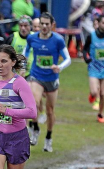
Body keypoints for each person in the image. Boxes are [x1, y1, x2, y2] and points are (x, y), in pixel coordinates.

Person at [25, 12, 71, 152]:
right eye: (42, 24)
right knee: (33, 104)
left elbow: (68, 59)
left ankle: (48, 138)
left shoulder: (58, 40)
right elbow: (27, 52)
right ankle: (36, 129)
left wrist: (59, 67)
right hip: (36, 76)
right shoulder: (32, 38)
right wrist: (24, 63)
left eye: (47, 24)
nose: (44, 27)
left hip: (51, 79)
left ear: (52, 25)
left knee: (50, 111)